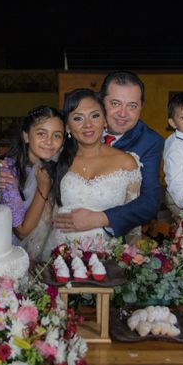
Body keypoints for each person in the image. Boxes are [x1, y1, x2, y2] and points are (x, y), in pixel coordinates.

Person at [53, 71, 164, 240]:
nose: (123, 113)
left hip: (110, 240)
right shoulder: (76, 130)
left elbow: (149, 202)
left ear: (141, 106)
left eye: (132, 106)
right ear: (101, 101)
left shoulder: (150, 141)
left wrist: (99, 219)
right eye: (115, 103)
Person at [47, 89, 142, 254]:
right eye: (78, 118)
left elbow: (133, 223)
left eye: (95, 116)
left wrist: (132, 261)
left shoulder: (126, 162)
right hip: (60, 254)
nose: (88, 125)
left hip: (108, 256)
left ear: (105, 121)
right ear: (68, 127)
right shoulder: (56, 160)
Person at [0, 106, 65, 262]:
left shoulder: (60, 167)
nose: (49, 141)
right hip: (13, 257)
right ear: (26, 136)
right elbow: (22, 230)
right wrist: (43, 188)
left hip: (50, 255)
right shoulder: (8, 171)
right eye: (41, 133)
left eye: (57, 135)